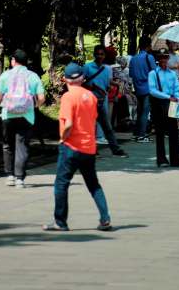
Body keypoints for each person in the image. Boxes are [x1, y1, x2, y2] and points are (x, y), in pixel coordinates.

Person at [43, 63, 112, 232]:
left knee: (61, 183)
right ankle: (105, 218)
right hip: (89, 147)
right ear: (82, 78)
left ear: (65, 79)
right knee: (93, 184)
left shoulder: (68, 97)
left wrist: (62, 138)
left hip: (71, 147)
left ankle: (60, 221)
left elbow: (69, 124)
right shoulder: (91, 96)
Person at [0, 49, 46, 187]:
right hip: (26, 116)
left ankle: (9, 175)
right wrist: (34, 106)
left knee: (7, 145)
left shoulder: (6, 75)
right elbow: (42, 98)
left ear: (13, 61)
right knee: (22, 146)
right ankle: (19, 179)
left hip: (8, 115)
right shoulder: (33, 76)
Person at [83, 45, 128, 155]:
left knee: (107, 126)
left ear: (105, 56)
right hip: (90, 100)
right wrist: (91, 87)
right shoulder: (87, 67)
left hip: (103, 100)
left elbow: (107, 82)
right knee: (90, 126)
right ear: (94, 54)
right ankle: (91, 149)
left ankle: (115, 149)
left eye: (102, 54)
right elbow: (81, 82)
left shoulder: (107, 69)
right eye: (97, 54)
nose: (99, 56)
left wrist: (114, 85)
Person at [147, 49, 179, 167]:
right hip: (159, 104)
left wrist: (178, 98)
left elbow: (177, 88)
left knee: (173, 131)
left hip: (171, 104)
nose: (163, 59)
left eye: (165, 57)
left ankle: (176, 160)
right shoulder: (153, 74)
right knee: (160, 133)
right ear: (158, 59)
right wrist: (168, 97)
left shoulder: (172, 74)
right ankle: (161, 160)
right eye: (161, 57)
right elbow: (152, 91)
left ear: (168, 59)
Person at [128, 35, 155, 141]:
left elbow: (130, 74)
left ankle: (136, 132)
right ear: (148, 46)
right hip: (148, 88)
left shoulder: (133, 59)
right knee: (145, 112)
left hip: (137, 88)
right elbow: (154, 72)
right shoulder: (149, 57)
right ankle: (142, 135)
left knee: (139, 112)